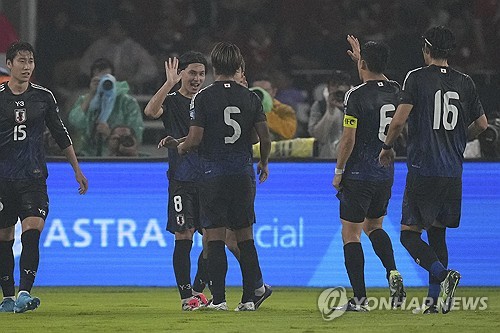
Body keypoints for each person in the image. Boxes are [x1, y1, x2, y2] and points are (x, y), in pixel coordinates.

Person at [379, 26, 488, 314]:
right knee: (438, 235)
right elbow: (483, 126)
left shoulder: (416, 78)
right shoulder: (465, 82)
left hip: (423, 166)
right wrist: (458, 138)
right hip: (453, 170)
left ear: (426, 49)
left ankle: (443, 276)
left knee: (408, 235)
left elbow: (399, 121)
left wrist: (387, 147)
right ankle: (432, 301)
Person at [178, 42, 272, 311]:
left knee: (215, 239)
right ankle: (249, 299)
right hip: (242, 173)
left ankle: (218, 300)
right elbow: (263, 137)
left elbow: (195, 138)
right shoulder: (251, 97)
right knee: (245, 237)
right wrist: (264, 163)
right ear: (237, 66)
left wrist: (182, 146)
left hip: (213, 174)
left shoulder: (203, 98)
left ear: (214, 66)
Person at [0, 41, 88, 313]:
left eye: (31, 62)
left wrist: (76, 169)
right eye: (22, 61)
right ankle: (7, 297)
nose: (27, 67)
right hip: (3, 179)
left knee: (33, 230)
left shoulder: (44, 97)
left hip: (33, 176)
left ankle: (25, 292)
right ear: (10, 64)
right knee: (4, 237)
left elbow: (61, 134)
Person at [332, 36, 405, 312]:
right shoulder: (397, 90)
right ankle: (393, 272)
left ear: (363, 64)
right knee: (375, 227)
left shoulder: (354, 95)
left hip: (359, 173)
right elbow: (375, 84)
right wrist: (362, 60)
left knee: (351, 234)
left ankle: (360, 299)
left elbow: (348, 140)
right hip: (385, 172)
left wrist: (339, 171)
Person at [144, 51, 210, 311]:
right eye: (192, 73)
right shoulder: (171, 101)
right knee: (184, 235)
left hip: (208, 179)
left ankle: (197, 291)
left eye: (201, 74)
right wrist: (168, 83)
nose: (197, 78)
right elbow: (150, 111)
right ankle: (186, 298)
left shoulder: (207, 102)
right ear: (181, 73)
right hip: (181, 180)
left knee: (213, 238)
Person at [69, 58, 144, 156]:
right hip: (88, 155)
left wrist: (111, 134)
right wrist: (91, 95)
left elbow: (137, 136)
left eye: (107, 78)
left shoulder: (127, 102)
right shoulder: (84, 100)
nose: (103, 82)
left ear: (114, 79)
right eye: (99, 79)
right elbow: (75, 122)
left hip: (118, 156)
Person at [78, 17, 157, 93]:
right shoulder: (99, 46)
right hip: (100, 87)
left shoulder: (135, 49)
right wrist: (98, 77)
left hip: (127, 89)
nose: (111, 30)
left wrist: (133, 79)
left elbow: (150, 70)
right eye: (110, 27)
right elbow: (84, 65)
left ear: (124, 31)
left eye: (115, 28)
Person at [308, 70, 352, 158]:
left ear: (349, 87)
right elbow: (318, 136)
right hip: (326, 159)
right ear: (328, 87)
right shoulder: (320, 105)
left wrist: (346, 108)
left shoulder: (357, 106)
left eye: (341, 84)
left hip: (350, 158)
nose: (338, 88)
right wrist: (330, 110)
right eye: (334, 84)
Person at [252, 75, 297, 141]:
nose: (261, 94)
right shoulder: (241, 109)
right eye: (257, 91)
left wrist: (265, 114)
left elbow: (289, 133)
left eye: (266, 90)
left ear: (274, 92)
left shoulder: (284, 110)